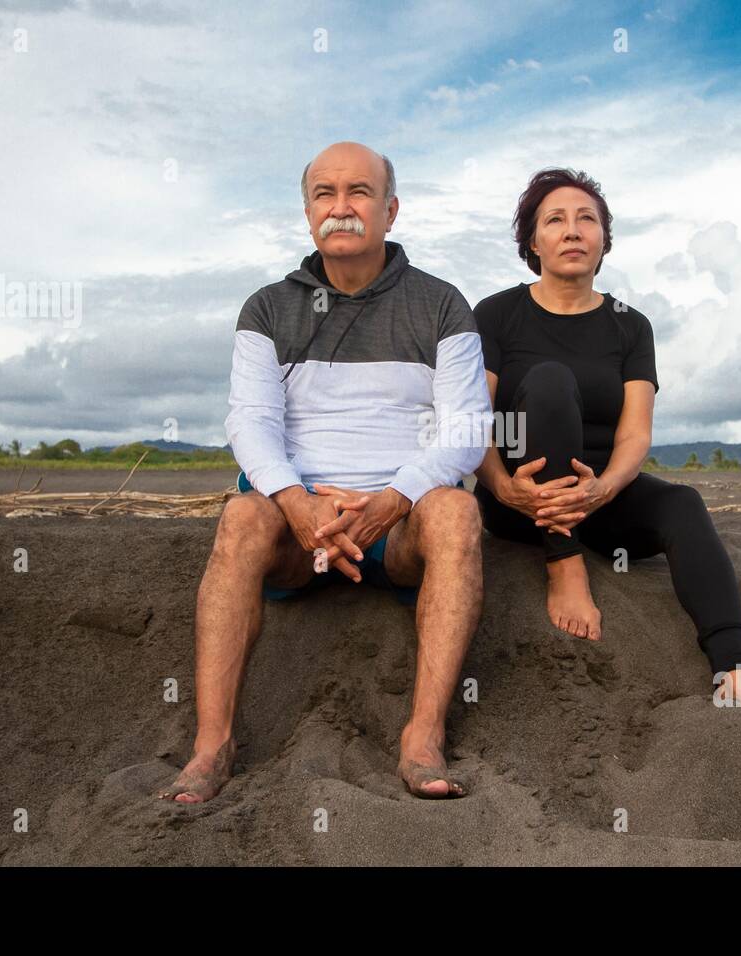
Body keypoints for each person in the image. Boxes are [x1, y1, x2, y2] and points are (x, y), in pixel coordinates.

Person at [156, 142, 492, 803]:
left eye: (360, 193)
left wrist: (392, 501)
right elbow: (249, 422)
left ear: (390, 211)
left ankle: (422, 737)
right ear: (308, 212)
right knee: (240, 515)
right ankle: (212, 745)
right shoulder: (267, 309)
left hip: (399, 526)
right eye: (325, 195)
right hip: (296, 525)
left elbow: (467, 429)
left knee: (458, 512)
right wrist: (297, 503)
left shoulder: (443, 306)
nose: (342, 208)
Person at [471, 167, 741, 730]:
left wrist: (604, 488)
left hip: (601, 497)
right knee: (552, 379)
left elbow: (634, 434)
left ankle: (734, 669)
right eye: (555, 220)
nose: (573, 230)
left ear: (604, 239)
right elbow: (472, 421)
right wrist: (503, 486)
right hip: (521, 502)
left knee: (682, 502)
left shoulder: (631, 326)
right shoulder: (495, 315)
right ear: (532, 242)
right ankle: (565, 565)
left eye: (588, 219)